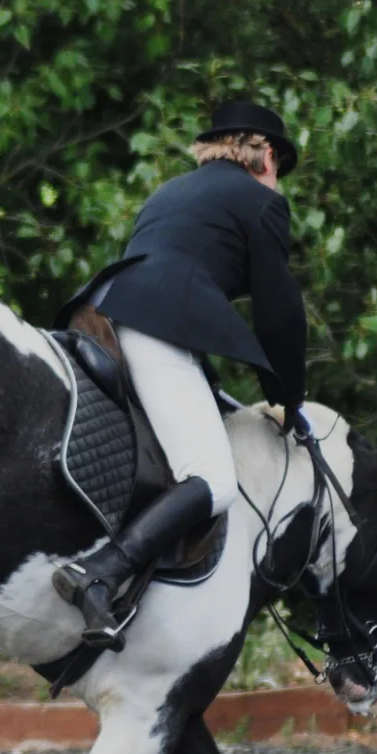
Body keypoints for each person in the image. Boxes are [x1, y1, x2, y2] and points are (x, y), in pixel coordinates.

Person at [52, 99, 312, 649]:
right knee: (213, 479)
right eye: (280, 170)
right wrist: (290, 400)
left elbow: (181, 287)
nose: (279, 182)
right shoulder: (261, 202)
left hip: (101, 313)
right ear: (266, 156)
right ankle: (100, 572)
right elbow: (280, 314)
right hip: (152, 328)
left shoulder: (171, 192)